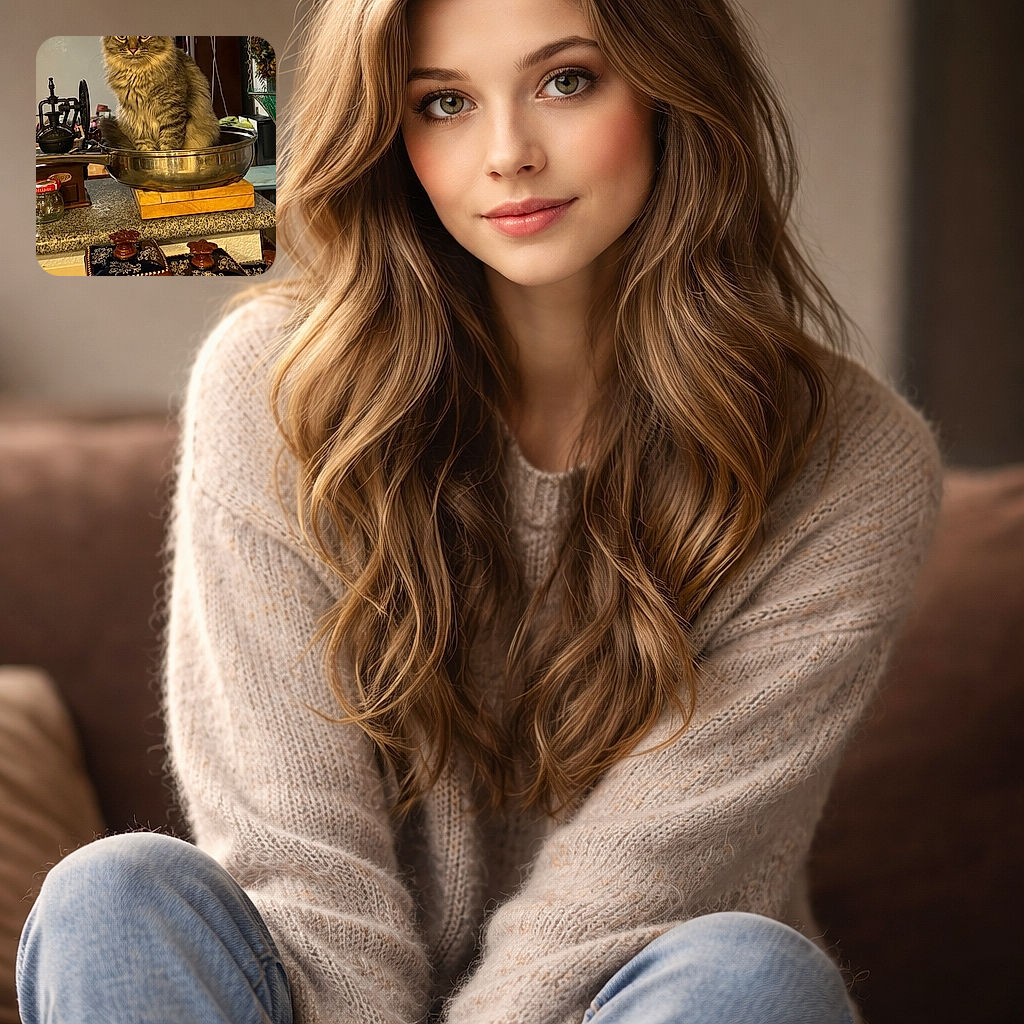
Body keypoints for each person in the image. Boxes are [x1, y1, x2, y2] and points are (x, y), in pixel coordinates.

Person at [16, 0, 942, 1022]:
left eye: (566, 81)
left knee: (747, 972)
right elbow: (300, 861)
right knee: (112, 894)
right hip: (326, 998)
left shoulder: (853, 460)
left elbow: (637, 888)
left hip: (630, 993)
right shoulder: (271, 384)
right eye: (444, 102)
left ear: (675, 89)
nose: (507, 153)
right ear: (388, 134)